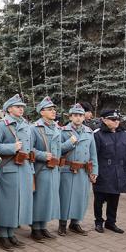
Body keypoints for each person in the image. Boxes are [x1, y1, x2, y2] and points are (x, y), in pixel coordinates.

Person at [0, 94, 33, 250]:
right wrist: (11, 148)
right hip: (8, 169)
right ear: (9, 109)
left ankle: (11, 234)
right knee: (6, 204)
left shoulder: (26, 125)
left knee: (18, 204)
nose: (21, 109)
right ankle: (3, 235)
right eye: (17, 106)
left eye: (22, 106)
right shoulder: (1, 125)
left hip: (24, 168)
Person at [30, 97, 71, 241]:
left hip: (54, 169)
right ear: (42, 112)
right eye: (50, 109)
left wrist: (70, 143)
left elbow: (59, 148)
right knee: (40, 198)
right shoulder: (34, 128)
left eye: (54, 109)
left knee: (49, 199)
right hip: (42, 168)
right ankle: (35, 228)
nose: (53, 111)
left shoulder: (57, 128)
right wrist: (41, 155)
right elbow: (28, 149)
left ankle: (43, 226)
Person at [58, 103, 98, 236]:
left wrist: (94, 171)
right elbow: (58, 150)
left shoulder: (89, 132)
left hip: (83, 170)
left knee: (81, 197)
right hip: (68, 169)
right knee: (65, 197)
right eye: (75, 115)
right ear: (70, 117)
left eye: (80, 115)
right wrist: (70, 142)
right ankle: (62, 224)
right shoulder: (63, 131)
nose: (78, 118)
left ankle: (75, 223)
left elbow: (93, 154)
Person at [92, 109, 126, 234]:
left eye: (117, 119)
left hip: (119, 171)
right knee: (99, 199)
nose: (116, 122)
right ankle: (98, 222)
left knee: (114, 199)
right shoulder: (98, 134)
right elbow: (94, 155)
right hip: (103, 171)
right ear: (104, 120)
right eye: (113, 119)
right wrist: (93, 172)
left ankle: (111, 222)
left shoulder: (123, 133)